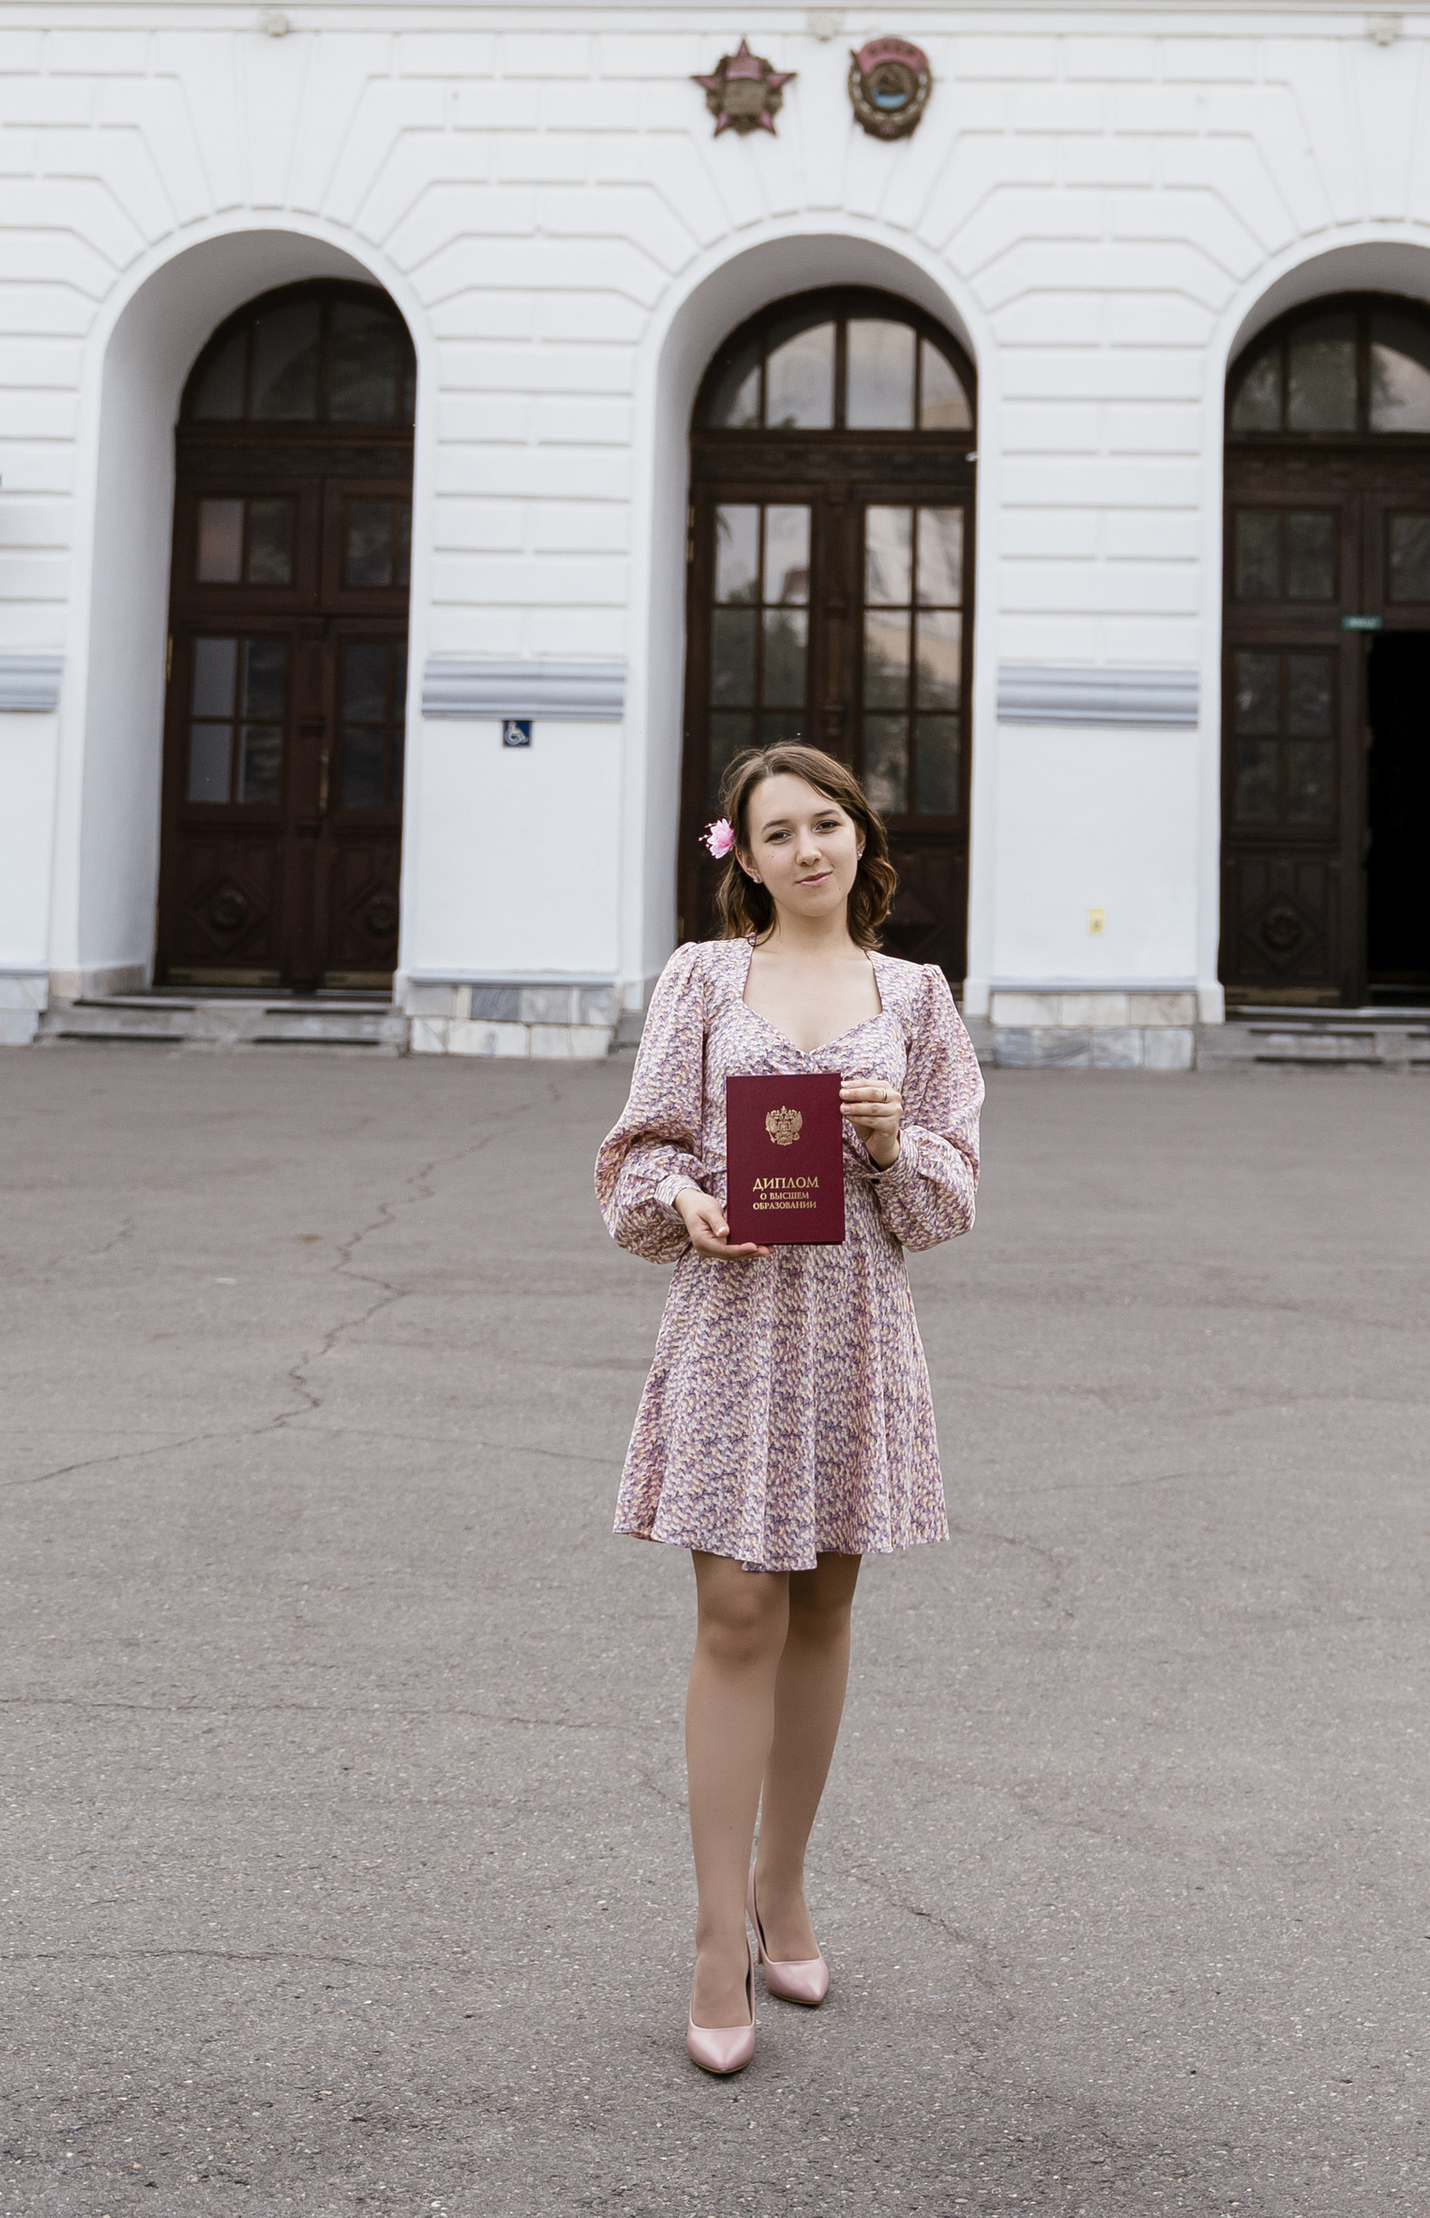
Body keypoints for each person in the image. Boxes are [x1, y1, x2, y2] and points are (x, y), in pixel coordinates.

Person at [596, 740, 984, 2077]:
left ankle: (788, 1887)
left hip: (858, 1329)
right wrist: (681, 1203)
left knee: (824, 1603)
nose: (807, 848)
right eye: (777, 832)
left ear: (859, 837)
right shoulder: (704, 980)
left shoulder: (918, 997)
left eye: (826, 823)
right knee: (736, 1608)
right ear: (742, 858)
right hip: (733, 1323)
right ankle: (715, 1939)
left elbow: (948, 1201)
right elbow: (641, 1151)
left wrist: (891, 1145)